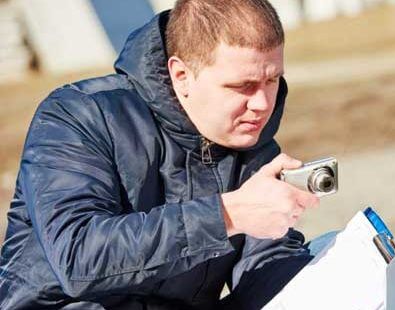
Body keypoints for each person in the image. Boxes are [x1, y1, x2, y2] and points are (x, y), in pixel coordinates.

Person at [0, 0, 323, 308]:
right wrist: (226, 215)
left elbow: (263, 264)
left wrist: (324, 280)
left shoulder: (256, 146)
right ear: (181, 75)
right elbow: (77, 258)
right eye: (242, 86)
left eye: (272, 80)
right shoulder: (80, 115)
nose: (262, 104)